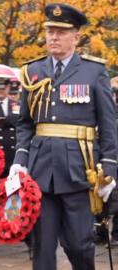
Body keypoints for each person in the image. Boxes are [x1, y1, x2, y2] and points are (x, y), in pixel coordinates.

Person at [10, 4, 117, 270]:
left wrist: (110, 168)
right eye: (50, 31)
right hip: (40, 169)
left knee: (79, 245)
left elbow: (108, 123)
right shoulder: (32, 71)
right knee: (43, 248)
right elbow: (25, 122)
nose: (53, 37)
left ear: (76, 36)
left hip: (80, 169)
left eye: (61, 31)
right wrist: (20, 159)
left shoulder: (94, 72)